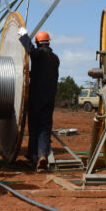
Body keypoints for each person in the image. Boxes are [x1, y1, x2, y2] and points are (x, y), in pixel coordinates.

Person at [17, 28, 60, 170]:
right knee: (45, 127)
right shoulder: (55, 58)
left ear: (38, 43)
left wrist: (24, 36)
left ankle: (35, 156)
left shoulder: (39, 54)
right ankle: (41, 155)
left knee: (34, 127)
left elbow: (31, 51)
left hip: (36, 97)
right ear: (48, 42)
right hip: (50, 98)